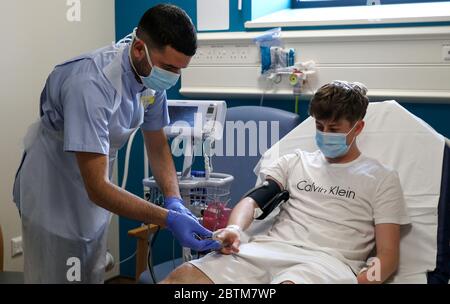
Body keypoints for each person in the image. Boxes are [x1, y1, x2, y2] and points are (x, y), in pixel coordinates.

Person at [12, 4, 220, 284]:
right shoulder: (91, 84)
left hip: (93, 186)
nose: (173, 77)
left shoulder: (151, 79)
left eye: (180, 69)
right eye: (169, 67)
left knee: (88, 272)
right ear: (138, 49)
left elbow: (157, 144)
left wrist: (174, 200)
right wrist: (167, 219)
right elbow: (97, 188)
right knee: (54, 274)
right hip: (53, 187)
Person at [161, 80, 410, 284]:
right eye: (319, 126)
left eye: (334, 129)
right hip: (267, 250)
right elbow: (253, 200)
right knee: (183, 278)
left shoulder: (381, 178)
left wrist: (362, 281)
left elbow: (387, 255)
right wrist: (235, 229)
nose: (324, 134)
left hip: (326, 264)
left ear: (357, 128)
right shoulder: (295, 162)